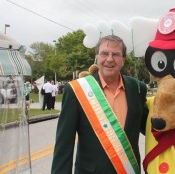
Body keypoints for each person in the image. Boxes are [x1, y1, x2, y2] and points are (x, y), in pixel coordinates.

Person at [51, 35, 148, 173]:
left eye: (116, 54)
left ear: (123, 59)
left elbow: (148, 127)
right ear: (97, 57)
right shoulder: (76, 90)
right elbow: (64, 145)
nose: (109, 59)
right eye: (104, 53)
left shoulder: (138, 88)